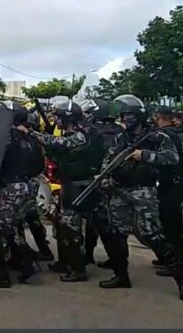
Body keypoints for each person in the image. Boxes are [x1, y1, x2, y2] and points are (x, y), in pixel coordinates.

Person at [98, 95, 183, 302]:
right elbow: (109, 159)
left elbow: (171, 158)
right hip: (120, 190)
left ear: (140, 115)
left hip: (144, 190)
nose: (126, 118)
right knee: (116, 233)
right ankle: (121, 275)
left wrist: (143, 155)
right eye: (123, 115)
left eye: (130, 114)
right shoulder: (120, 138)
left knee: (153, 235)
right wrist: (105, 178)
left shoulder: (156, 136)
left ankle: (182, 279)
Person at [32, 100, 105, 282]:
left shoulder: (84, 133)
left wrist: (34, 134)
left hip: (81, 186)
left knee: (72, 228)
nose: (55, 119)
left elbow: (63, 144)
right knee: (63, 226)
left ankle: (78, 268)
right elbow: (59, 154)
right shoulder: (82, 131)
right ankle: (66, 261)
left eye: (58, 116)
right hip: (71, 183)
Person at [0, 105, 43, 289]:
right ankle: (26, 262)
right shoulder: (31, 139)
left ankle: (3, 274)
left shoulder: (7, 136)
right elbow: (39, 166)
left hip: (9, 187)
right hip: (25, 186)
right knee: (11, 227)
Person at [151, 107, 183, 277]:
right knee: (168, 224)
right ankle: (167, 259)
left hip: (170, 184)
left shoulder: (165, 135)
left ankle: (176, 263)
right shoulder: (182, 133)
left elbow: (168, 159)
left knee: (171, 226)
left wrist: (146, 156)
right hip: (179, 182)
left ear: (159, 118)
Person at [81, 99, 123, 267]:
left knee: (99, 222)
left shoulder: (93, 131)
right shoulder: (119, 130)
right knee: (103, 222)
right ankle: (112, 258)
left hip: (96, 180)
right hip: (114, 182)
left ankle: (107, 258)